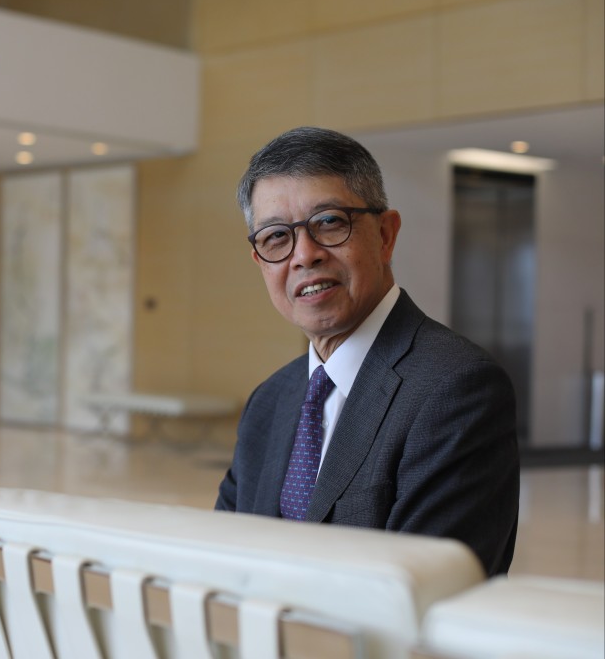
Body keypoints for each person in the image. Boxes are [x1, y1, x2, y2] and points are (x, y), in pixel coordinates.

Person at [215, 126, 519, 576]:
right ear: (260, 261)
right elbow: (219, 561)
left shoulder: (458, 389)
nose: (304, 255)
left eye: (329, 222)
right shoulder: (270, 400)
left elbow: (420, 593)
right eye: (277, 237)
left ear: (385, 235)